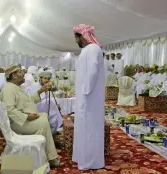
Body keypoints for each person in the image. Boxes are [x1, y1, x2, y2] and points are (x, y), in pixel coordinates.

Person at [0, 64, 63, 167]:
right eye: (20, 72)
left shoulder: (15, 87)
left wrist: (41, 90)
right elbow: (9, 110)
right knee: (43, 123)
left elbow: (27, 99)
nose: (23, 74)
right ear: (14, 75)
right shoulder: (8, 90)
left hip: (22, 121)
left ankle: (46, 155)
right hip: (17, 124)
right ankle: (49, 158)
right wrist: (27, 117)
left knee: (44, 116)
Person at [72, 24, 105, 170]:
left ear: (83, 36)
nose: (76, 41)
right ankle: (82, 157)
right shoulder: (87, 50)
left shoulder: (93, 49)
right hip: (85, 97)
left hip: (89, 98)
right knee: (84, 128)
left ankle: (90, 161)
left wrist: (85, 92)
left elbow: (92, 72)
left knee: (90, 129)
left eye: (76, 38)